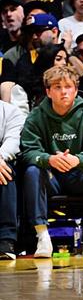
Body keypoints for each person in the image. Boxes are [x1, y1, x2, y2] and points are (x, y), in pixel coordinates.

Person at [21, 65, 83, 257]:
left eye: (68, 86)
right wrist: (49, 159)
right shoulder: (36, 116)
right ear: (48, 92)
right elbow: (28, 152)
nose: (63, 92)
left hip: (80, 176)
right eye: (57, 87)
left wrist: (78, 159)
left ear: (76, 90)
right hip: (51, 177)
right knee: (32, 171)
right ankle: (42, 236)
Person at [0, 99, 25, 260]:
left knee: (5, 171)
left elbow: (13, 141)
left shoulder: (11, 111)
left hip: (1, 161)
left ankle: (6, 240)